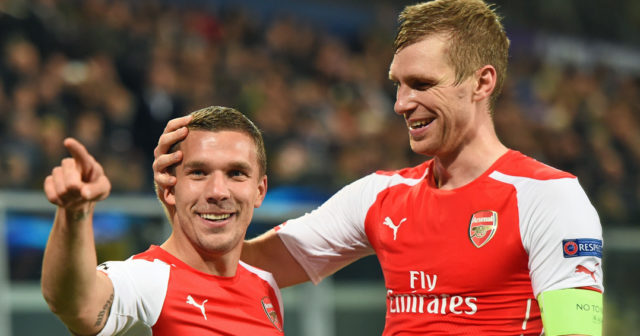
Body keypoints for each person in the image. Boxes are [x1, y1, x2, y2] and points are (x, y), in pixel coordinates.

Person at [153, 1, 604, 335]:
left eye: (422, 84)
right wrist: (187, 211)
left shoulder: (548, 196)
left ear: (482, 82)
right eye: (399, 85)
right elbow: (251, 263)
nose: (402, 103)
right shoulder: (379, 196)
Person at [41, 106, 284, 335]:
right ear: (168, 188)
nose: (218, 191)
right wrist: (74, 212)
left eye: (236, 174)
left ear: (260, 191)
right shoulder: (148, 280)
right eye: (198, 173)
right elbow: (78, 305)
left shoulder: (265, 285)